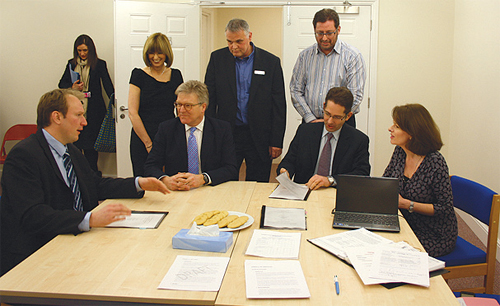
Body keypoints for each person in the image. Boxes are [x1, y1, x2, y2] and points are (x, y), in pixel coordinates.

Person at [0, 89, 169, 276]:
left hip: (74, 242)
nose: (85, 122)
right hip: (38, 255)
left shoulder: (70, 150)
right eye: (79, 115)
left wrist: (139, 183)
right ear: (57, 117)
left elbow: (95, 185)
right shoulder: (24, 156)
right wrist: (90, 219)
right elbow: (33, 215)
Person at [204, 18, 286, 182]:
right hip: (227, 134)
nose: (233, 46)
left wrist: (276, 141)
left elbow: (278, 105)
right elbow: (209, 100)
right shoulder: (217, 59)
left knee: (258, 183)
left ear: (249, 36)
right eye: (229, 41)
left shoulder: (270, 62)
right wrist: (211, 134)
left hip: (259, 135)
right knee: (225, 182)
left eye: (239, 41)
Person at [383, 104, 457, 257]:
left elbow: (444, 208)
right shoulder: (400, 152)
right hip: (405, 222)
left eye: (396, 126)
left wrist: (406, 204)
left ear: (411, 133)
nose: (390, 129)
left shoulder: (435, 162)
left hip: (433, 233)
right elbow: (386, 181)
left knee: (389, 252)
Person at [144, 81, 238, 190]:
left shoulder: (221, 129)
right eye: (178, 104)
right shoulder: (166, 129)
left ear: (203, 107)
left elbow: (231, 168)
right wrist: (166, 180)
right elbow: (150, 166)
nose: (181, 110)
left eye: (188, 106)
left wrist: (203, 178)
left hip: (210, 189)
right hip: (177, 191)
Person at [278, 87, 370, 190]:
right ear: (324, 106)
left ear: (348, 116)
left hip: (336, 194)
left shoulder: (358, 140)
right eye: (327, 114)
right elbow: (289, 161)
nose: (330, 121)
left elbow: (362, 174)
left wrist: (330, 180)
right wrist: (285, 170)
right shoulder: (305, 131)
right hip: (304, 191)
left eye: (336, 117)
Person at [290, 8, 366, 128]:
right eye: (320, 33)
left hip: (342, 124)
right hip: (311, 122)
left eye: (329, 33)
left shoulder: (352, 56)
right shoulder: (304, 57)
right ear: (314, 30)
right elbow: (296, 90)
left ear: (338, 30)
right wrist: (309, 117)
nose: (324, 38)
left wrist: (334, 119)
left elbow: (355, 95)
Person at [128, 32, 184, 176]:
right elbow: (133, 112)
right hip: (142, 136)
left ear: (167, 53)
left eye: (160, 53)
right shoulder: (138, 75)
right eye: (151, 53)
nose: (156, 57)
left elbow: (180, 109)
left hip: (169, 135)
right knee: (145, 182)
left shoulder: (176, 75)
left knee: (172, 180)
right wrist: (148, 144)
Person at [58, 34, 114, 173]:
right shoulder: (71, 64)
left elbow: (108, 86)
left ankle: (93, 179)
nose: (82, 54)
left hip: (94, 112)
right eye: (79, 51)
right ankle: (77, 178)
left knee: (91, 149)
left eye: (85, 50)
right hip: (75, 108)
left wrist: (115, 104)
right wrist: (73, 87)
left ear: (91, 50)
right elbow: (61, 84)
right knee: (75, 147)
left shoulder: (99, 64)